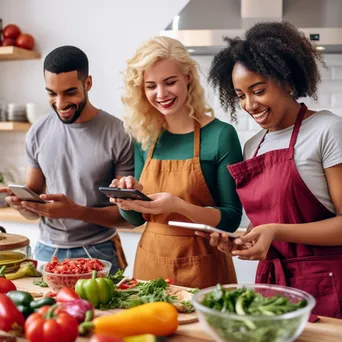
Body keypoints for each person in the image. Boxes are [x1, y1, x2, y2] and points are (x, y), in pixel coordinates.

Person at [203, 21, 342, 319]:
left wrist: (275, 231)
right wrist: (243, 241)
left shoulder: (326, 130)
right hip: (273, 290)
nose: (249, 104)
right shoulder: (253, 145)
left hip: (328, 285)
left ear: (287, 81)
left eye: (258, 90)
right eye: (240, 95)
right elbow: (266, 224)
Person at [109, 36, 243, 288]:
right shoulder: (145, 137)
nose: (161, 94)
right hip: (150, 264)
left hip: (204, 265)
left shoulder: (221, 136)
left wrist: (179, 206)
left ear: (188, 78)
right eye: (151, 85)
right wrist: (127, 199)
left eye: (170, 82)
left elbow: (231, 218)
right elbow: (136, 220)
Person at [0, 46, 134, 273]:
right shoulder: (38, 131)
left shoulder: (118, 133)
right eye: (52, 93)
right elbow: (33, 208)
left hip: (99, 251)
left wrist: (74, 211)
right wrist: (21, 203)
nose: (60, 103)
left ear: (88, 83)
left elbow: (128, 215)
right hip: (45, 252)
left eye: (70, 92)